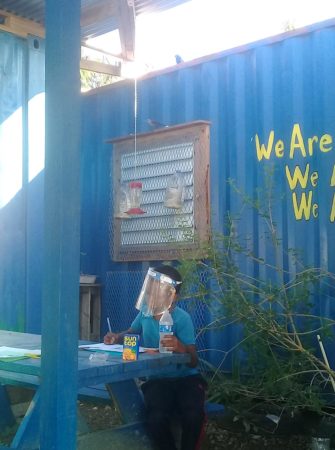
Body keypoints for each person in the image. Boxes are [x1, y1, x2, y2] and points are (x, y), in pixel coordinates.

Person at [104, 265, 207, 450]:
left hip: (186, 378)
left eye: (156, 289)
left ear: (173, 295)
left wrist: (180, 347)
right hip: (158, 379)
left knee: (193, 414)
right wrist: (116, 337)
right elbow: (131, 330)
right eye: (150, 287)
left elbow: (193, 360)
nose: (151, 293)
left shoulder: (182, 318)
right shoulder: (145, 312)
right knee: (155, 418)